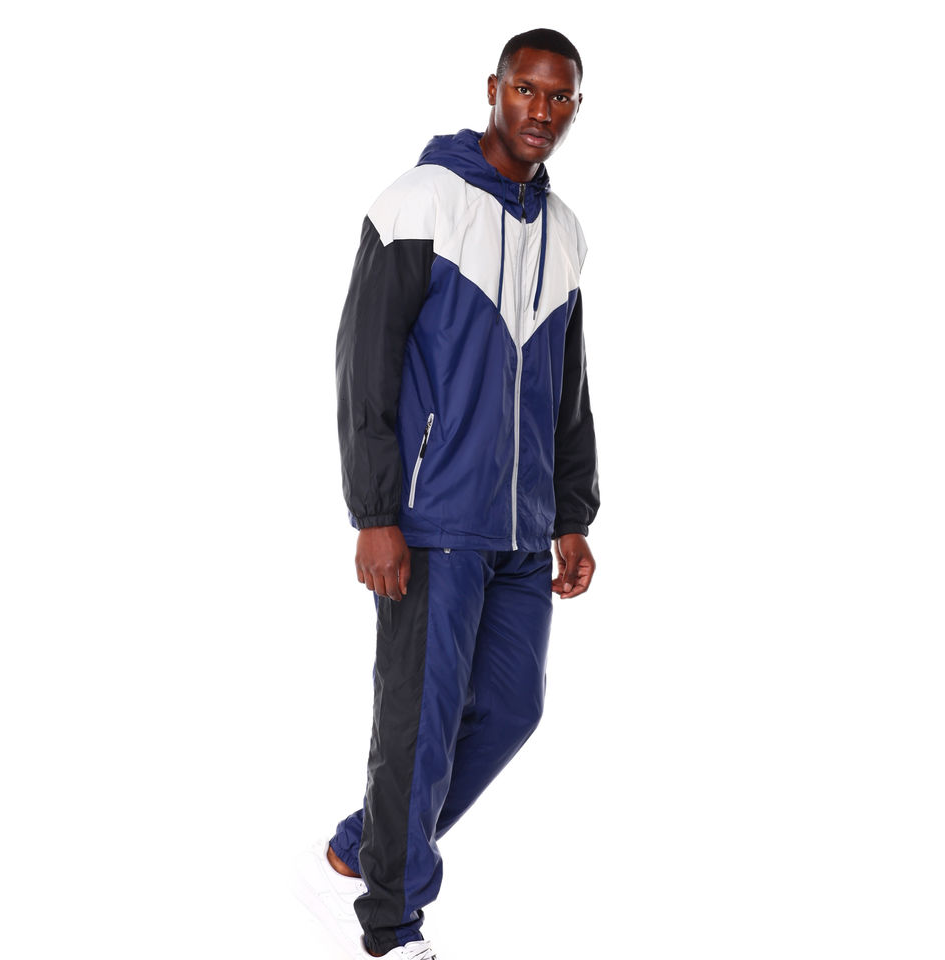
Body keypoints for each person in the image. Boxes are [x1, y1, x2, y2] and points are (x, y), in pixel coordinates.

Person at [294, 28, 600, 960]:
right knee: (418, 725)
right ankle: (391, 925)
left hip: (523, 529)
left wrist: (573, 515)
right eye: (527, 89)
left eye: (560, 96)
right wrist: (375, 513)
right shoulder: (418, 201)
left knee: (511, 710)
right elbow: (364, 364)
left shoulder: (565, 231)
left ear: (575, 107)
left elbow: (569, 384)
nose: (542, 110)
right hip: (432, 521)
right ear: (495, 88)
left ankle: (363, 848)